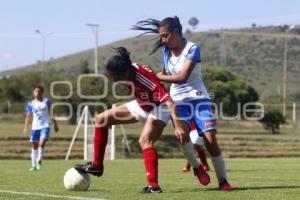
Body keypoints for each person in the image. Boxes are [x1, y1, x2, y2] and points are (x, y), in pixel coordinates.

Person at [75, 47, 210, 193]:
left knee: (145, 141)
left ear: (126, 72)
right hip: (142, 105)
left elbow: (169, 101)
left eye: (115, 76)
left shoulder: (144, 79)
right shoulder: (127, 67)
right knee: (101, 119)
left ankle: (155, 186)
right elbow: (134, 65)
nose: (114, 79)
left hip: (160, 107)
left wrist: (177, 127)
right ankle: (97, 166)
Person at [133, 16, 232, 191]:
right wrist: (149, 75)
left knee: (210, 139)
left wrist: (157, 76)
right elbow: (164, 76)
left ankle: (223, 181)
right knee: (183, 137)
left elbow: (181, 78)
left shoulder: (192, 49)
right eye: (162, 36)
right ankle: (197, 167)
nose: (163, 40)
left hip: (199, 99)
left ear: (177, 32)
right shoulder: (165, 52)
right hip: (178, 101)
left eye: (165, 36)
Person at [23, 86, 59, 171]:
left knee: (42, 143)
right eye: (36, 91)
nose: (37, 93)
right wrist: (25, 127)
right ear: (33, 93)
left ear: (42, 93)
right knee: (34, 146)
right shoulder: (31, 104)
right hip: (35, 127)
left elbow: (51, 114)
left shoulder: (46, 102)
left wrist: (56, 125)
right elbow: (28, 116)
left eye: (39, 92)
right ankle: (34, 165)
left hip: (45, 125)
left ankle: (39, 160)